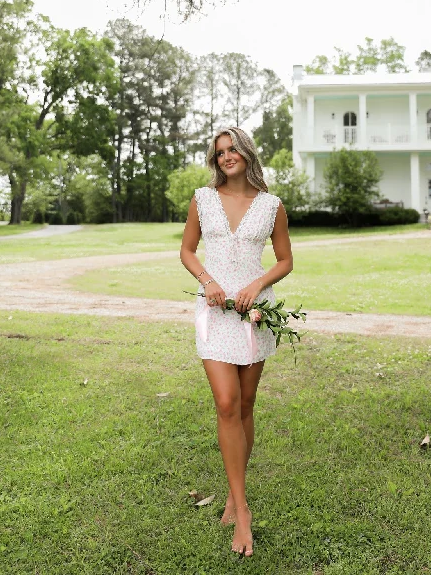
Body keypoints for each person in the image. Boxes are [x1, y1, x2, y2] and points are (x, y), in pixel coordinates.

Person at [180, 127, 294, 557]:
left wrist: (257, 283)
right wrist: (207, 280)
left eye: (233, 150)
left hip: (255, 313)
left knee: (246, 405)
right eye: (220, 152)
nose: (226, 157)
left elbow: (285, 259)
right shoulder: (202, 199)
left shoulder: (271, 205)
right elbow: (188, 251)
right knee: (226, 403)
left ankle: (233, 493)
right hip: (213, 310)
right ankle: (242, 512)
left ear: (247, 153)